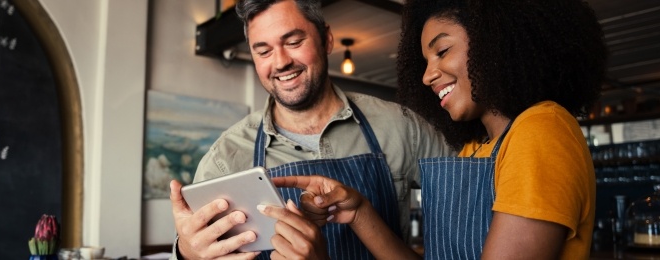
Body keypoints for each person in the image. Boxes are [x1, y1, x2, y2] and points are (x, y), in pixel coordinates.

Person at [275, 0, 607, 259]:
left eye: (442, 51)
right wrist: (359, 212)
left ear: (497, 42)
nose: (427, 76)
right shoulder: (476, 148)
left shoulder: (541, 129)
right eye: (425, 61)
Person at [168, 0, 454, 259]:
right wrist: (186, 253)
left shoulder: (403, 127)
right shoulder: (225, 157)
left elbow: (463, 232)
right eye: (264, 51)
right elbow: (200, 246)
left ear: (326, 39)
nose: (281, 62)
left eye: (293, 42)